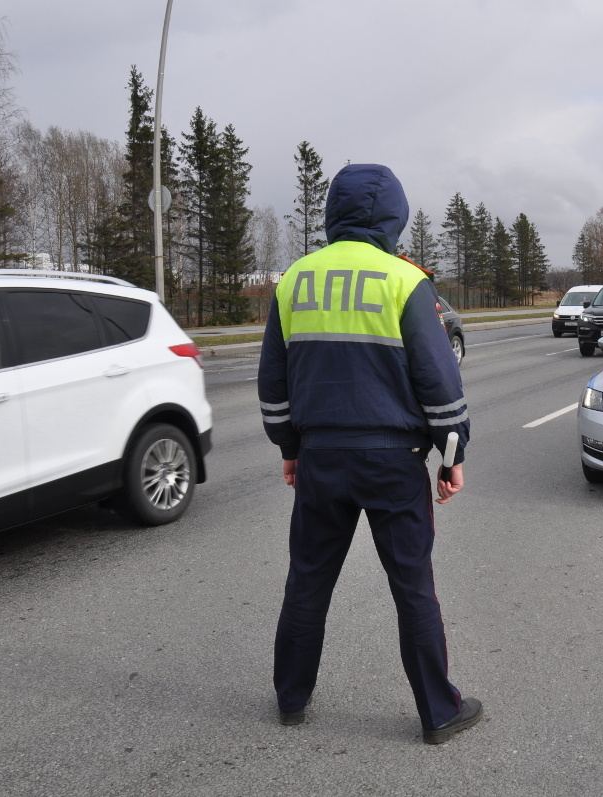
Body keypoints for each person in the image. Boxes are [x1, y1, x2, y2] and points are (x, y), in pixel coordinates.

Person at [257, 163, 482, 744]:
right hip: (392, 459)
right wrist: (450, 454)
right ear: (394, 218)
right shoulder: (404, 282)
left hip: (321, 460)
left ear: (333, 213)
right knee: (413, 588)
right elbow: (439, 384)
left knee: (307, 580)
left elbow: (274, 386)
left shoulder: (294, 282)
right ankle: (438, 712)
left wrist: (290, 449)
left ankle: (290, 699)